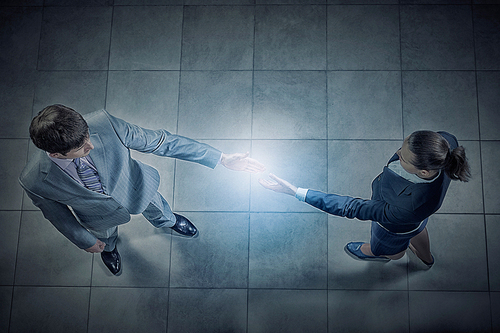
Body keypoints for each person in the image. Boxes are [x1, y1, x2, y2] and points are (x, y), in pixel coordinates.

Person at [20, 104, 265, 275]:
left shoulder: (104, 123)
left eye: (88, 136)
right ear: (54, 154)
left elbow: (162, 142)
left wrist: (221, 158)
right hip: (96, 216)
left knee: (159, 208)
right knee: (105, 238)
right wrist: (84, 240)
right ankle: (111, 248)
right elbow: (56, 214)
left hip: (136, 186)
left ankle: (168, 222)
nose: (91, 145)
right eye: (82, 147)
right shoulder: (34, 181)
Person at [259, 131, 470, 267]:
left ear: (423, 172)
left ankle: (382, 253)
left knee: (390, 248)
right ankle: (426, 258)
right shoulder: (445, 145)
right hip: (415, 221)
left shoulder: (407, 207)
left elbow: (352, 207)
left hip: (393, 226)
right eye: (402, 146)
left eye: (403, 157)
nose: (397, 153)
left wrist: (296, 192)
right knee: (417, 228)